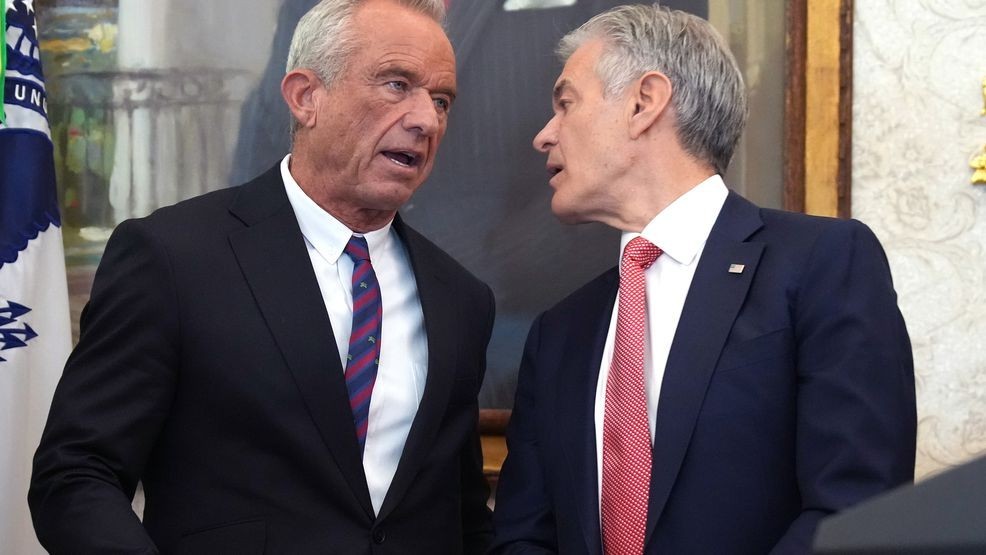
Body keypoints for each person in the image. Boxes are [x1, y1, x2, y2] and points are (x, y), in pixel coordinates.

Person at [29, 1, 495, 553]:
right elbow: (77, 474)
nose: (426, 120)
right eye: (397, 85)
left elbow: (461, 513)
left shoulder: (461, 299)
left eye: (441, 100)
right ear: (305, 97)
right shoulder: (175, 257)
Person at [490, 4, 916, 554]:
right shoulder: (560, 332)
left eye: (566, 104)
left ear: (644, 102)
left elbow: (858, 506)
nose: (544, 136)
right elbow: (525, 535)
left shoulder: (823, 263)